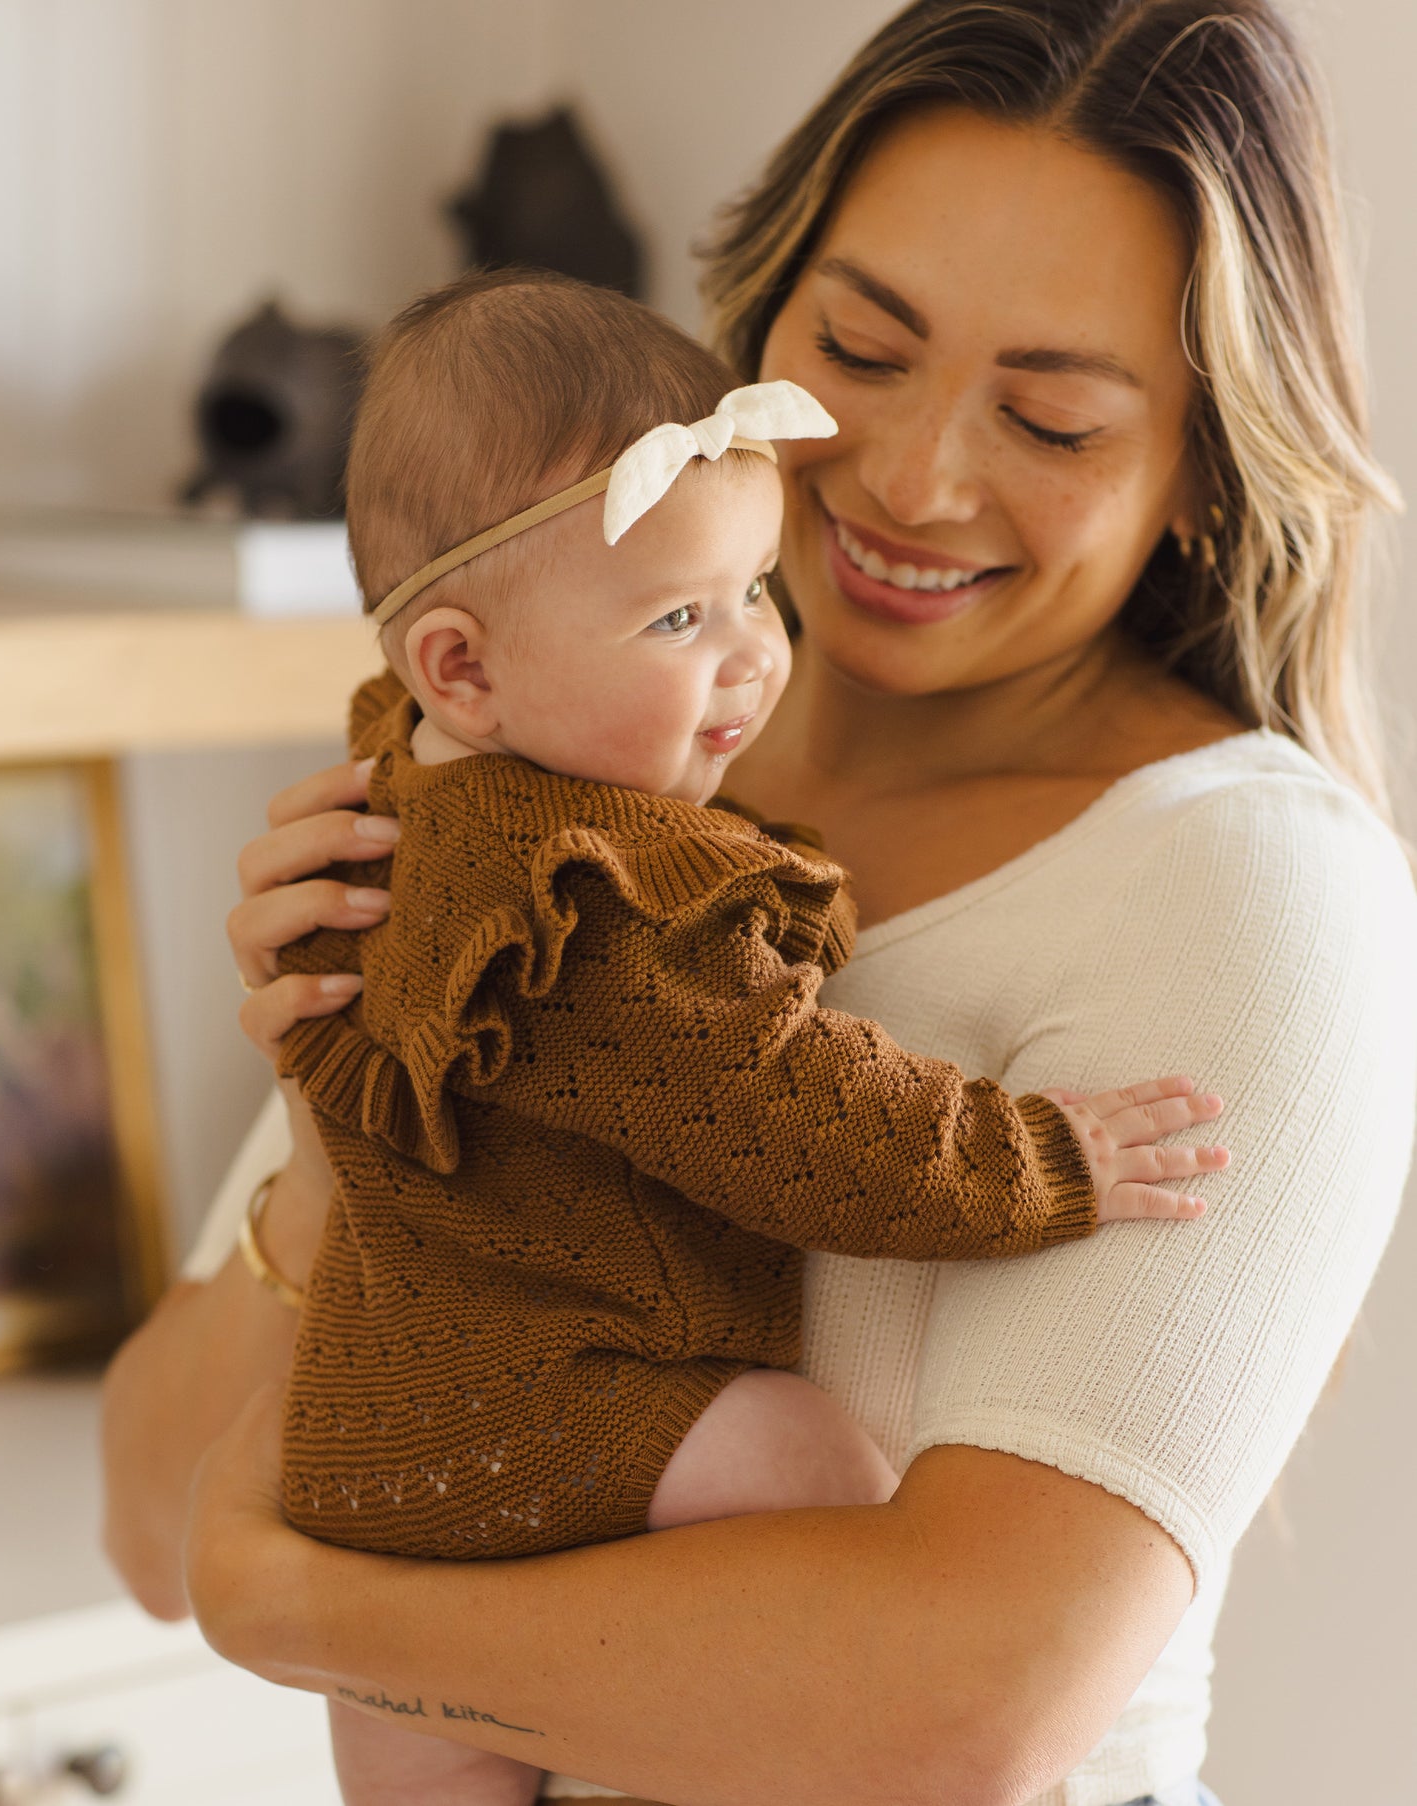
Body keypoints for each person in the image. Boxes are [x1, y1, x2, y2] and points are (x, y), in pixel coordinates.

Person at [101, 3, 1417, 1803]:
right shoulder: (567, 787)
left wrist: (295, 1600)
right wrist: (361, 1096)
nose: (906, 478)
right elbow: (144, 1521)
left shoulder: (1239, 880)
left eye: (1045, 417)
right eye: (858, 351)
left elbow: (959, 1705)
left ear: (1201, 464)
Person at [274, 269, 1219, 1806]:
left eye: (750, 592)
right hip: (541, 1410)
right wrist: (1044, 1156)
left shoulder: (403, 787)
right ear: (461, 664)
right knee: (808, 1461)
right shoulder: (600, 909)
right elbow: (797, 1118)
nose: (752, 655)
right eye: (675, 616)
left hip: (361, 1456)